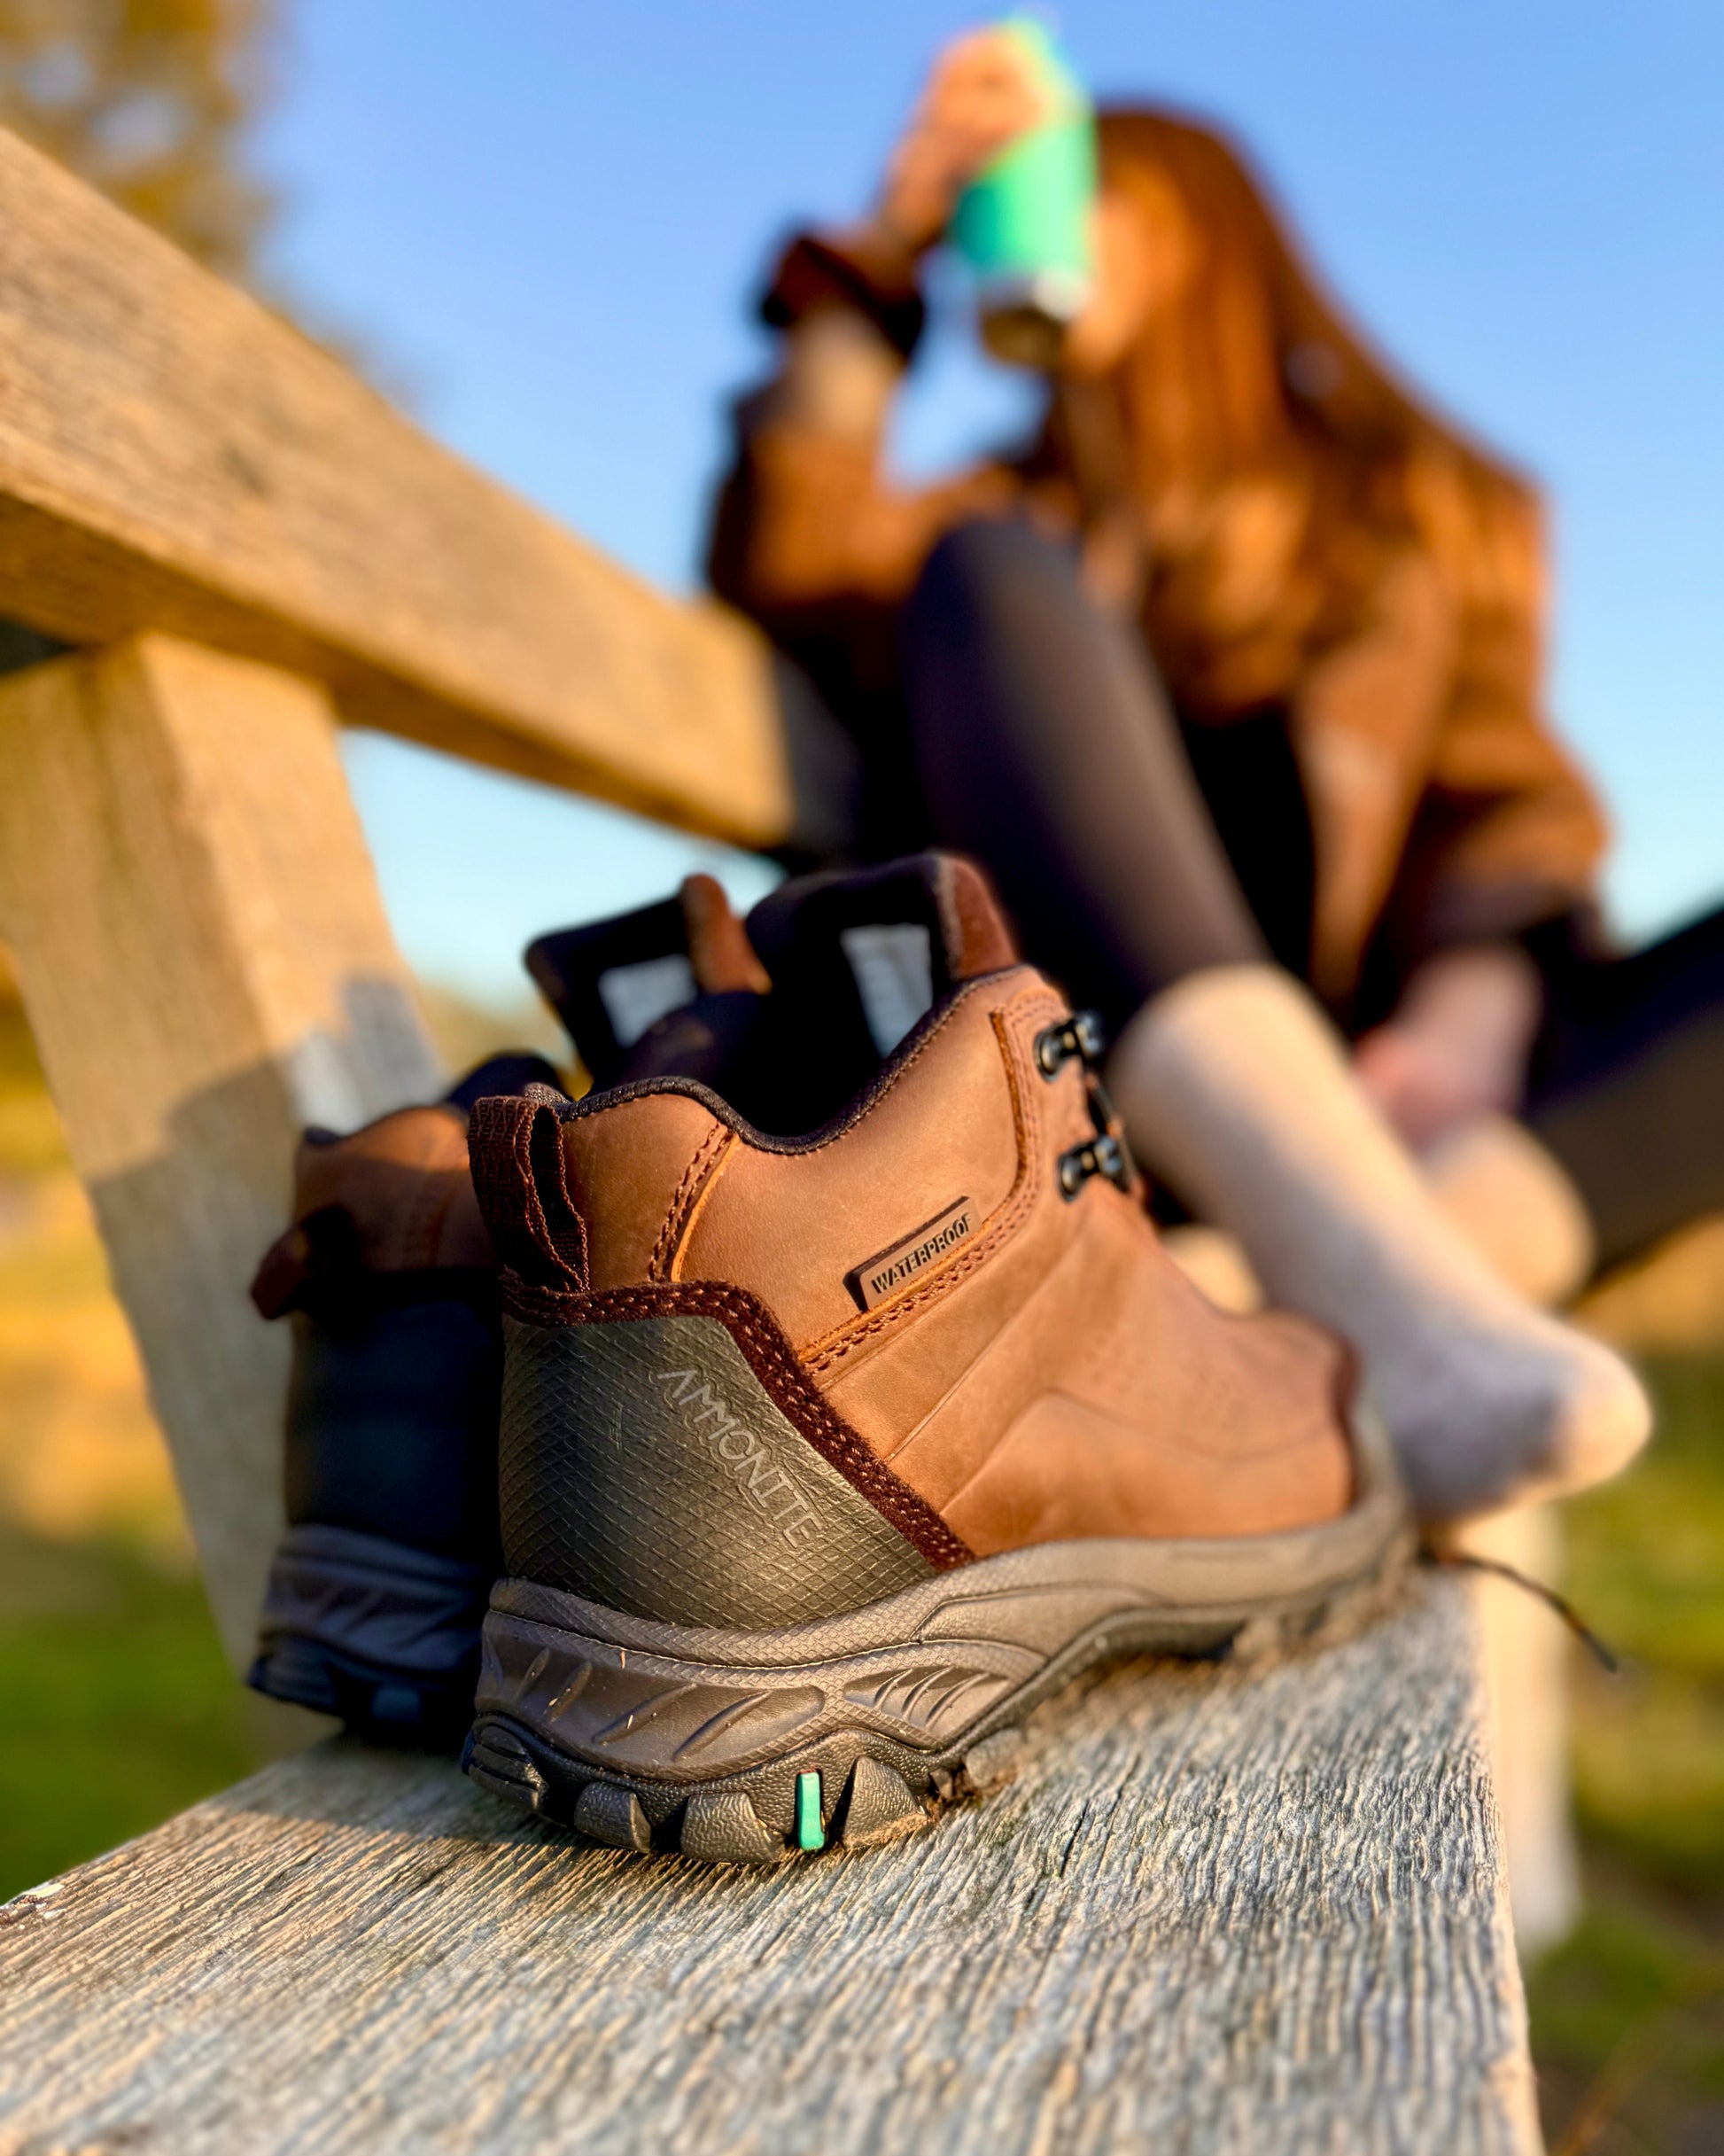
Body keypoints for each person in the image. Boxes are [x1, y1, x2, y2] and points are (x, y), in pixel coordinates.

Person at [698, 27, 1724, 1515]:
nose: (1018, 227)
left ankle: (1304, 1310)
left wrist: (1473, 1000)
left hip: (1405, 1105)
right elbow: (785, 551)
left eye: (1061, 192)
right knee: (988, 570)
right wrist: (884, 248)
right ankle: (1379, 1315)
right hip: (1111, 1138)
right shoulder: (1001, 524)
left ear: (1193, 231)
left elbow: (1510, 795)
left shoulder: (1433, 504)